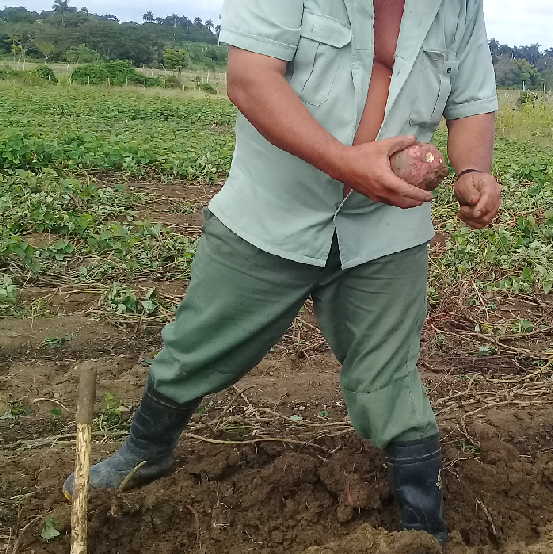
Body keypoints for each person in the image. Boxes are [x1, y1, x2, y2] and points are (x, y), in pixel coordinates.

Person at [63, 0, 500, 543]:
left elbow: (472, 101)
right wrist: (346, 163)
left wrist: (473, 170)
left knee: (390, 377)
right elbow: (250, 80)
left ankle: (422, 520)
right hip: (271, 212)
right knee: (198, 347)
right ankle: (145, 452)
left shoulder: (457, 5)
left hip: (388, 226)